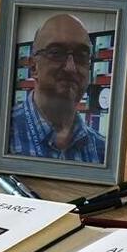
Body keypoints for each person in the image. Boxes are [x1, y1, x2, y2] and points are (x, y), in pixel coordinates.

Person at [8, 14, 106, 163]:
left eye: (82, 55)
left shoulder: (102, 150)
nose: (71, 68)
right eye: (56, 53)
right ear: (33, 67)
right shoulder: (4, 132)